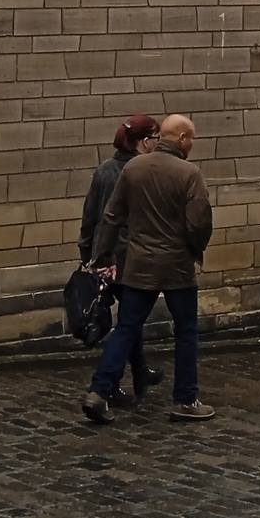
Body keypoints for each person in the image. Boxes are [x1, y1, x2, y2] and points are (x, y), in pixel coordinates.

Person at [83, 112, 214, 425]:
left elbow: (112, 216)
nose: (192, 144)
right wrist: (195, 249)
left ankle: (99, 392)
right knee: (185, 331)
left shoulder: (133, 167)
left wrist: (104, 256)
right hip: (177, 266)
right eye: (191, 138)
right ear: (182, 138)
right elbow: (199, 222)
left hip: (140, 263)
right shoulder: (189, 173)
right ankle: (185, 399)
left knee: (127, 327)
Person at [77, 114, 162, 398]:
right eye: (156, 138)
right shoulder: (141, 172)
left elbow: (90, 215)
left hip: (103, 256)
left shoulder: (104, 169)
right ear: (145, 141)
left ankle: (140, 370)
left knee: (130, 319)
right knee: (129, 321)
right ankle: (107, 384)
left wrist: (87, 253)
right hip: (128, 258)